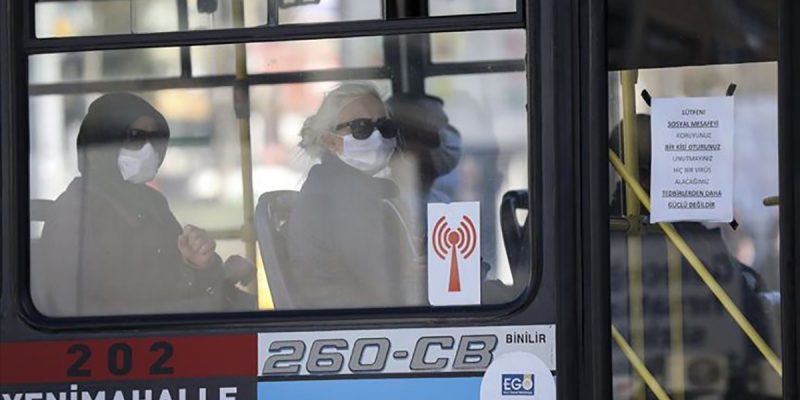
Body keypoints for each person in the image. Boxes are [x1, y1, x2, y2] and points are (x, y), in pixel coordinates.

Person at [33, 93, 254, 317]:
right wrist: (203, 273)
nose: (149, 149)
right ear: (102, 140)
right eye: (135, 137)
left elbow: (178, 280)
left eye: (155, 138)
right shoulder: (75, 214)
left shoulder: (152, 202)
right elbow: (128, 304)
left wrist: (203, 264)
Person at [285, 82, 426, 309]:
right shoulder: (339, 193)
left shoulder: (352, 187)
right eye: (361, 128)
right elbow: (389, 287)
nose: (378, 137)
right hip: (354, 319)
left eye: (385, 127)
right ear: (329, 140)